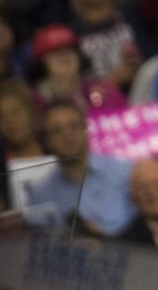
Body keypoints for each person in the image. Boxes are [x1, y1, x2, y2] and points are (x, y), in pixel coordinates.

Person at [24, 99, 135, 236]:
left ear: (85, 130)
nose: (67, 135)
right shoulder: (39, 195)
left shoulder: (125, 172)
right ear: (47, 141)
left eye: (74, 126)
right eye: (57, 130)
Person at [67, 0, 147, 90]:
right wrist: (112, 81)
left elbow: (153, 64)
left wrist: (140, 68)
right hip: (96, 108)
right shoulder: (70, 36)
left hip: (142, 103)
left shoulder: (134, 18)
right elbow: (75, 95)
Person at [30, 23, 128, 115]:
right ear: (42, 62)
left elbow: (125, 118)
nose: (64, 56)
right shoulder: (35, 102)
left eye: (69, 50)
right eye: (56, 52)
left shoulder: (101, 91)